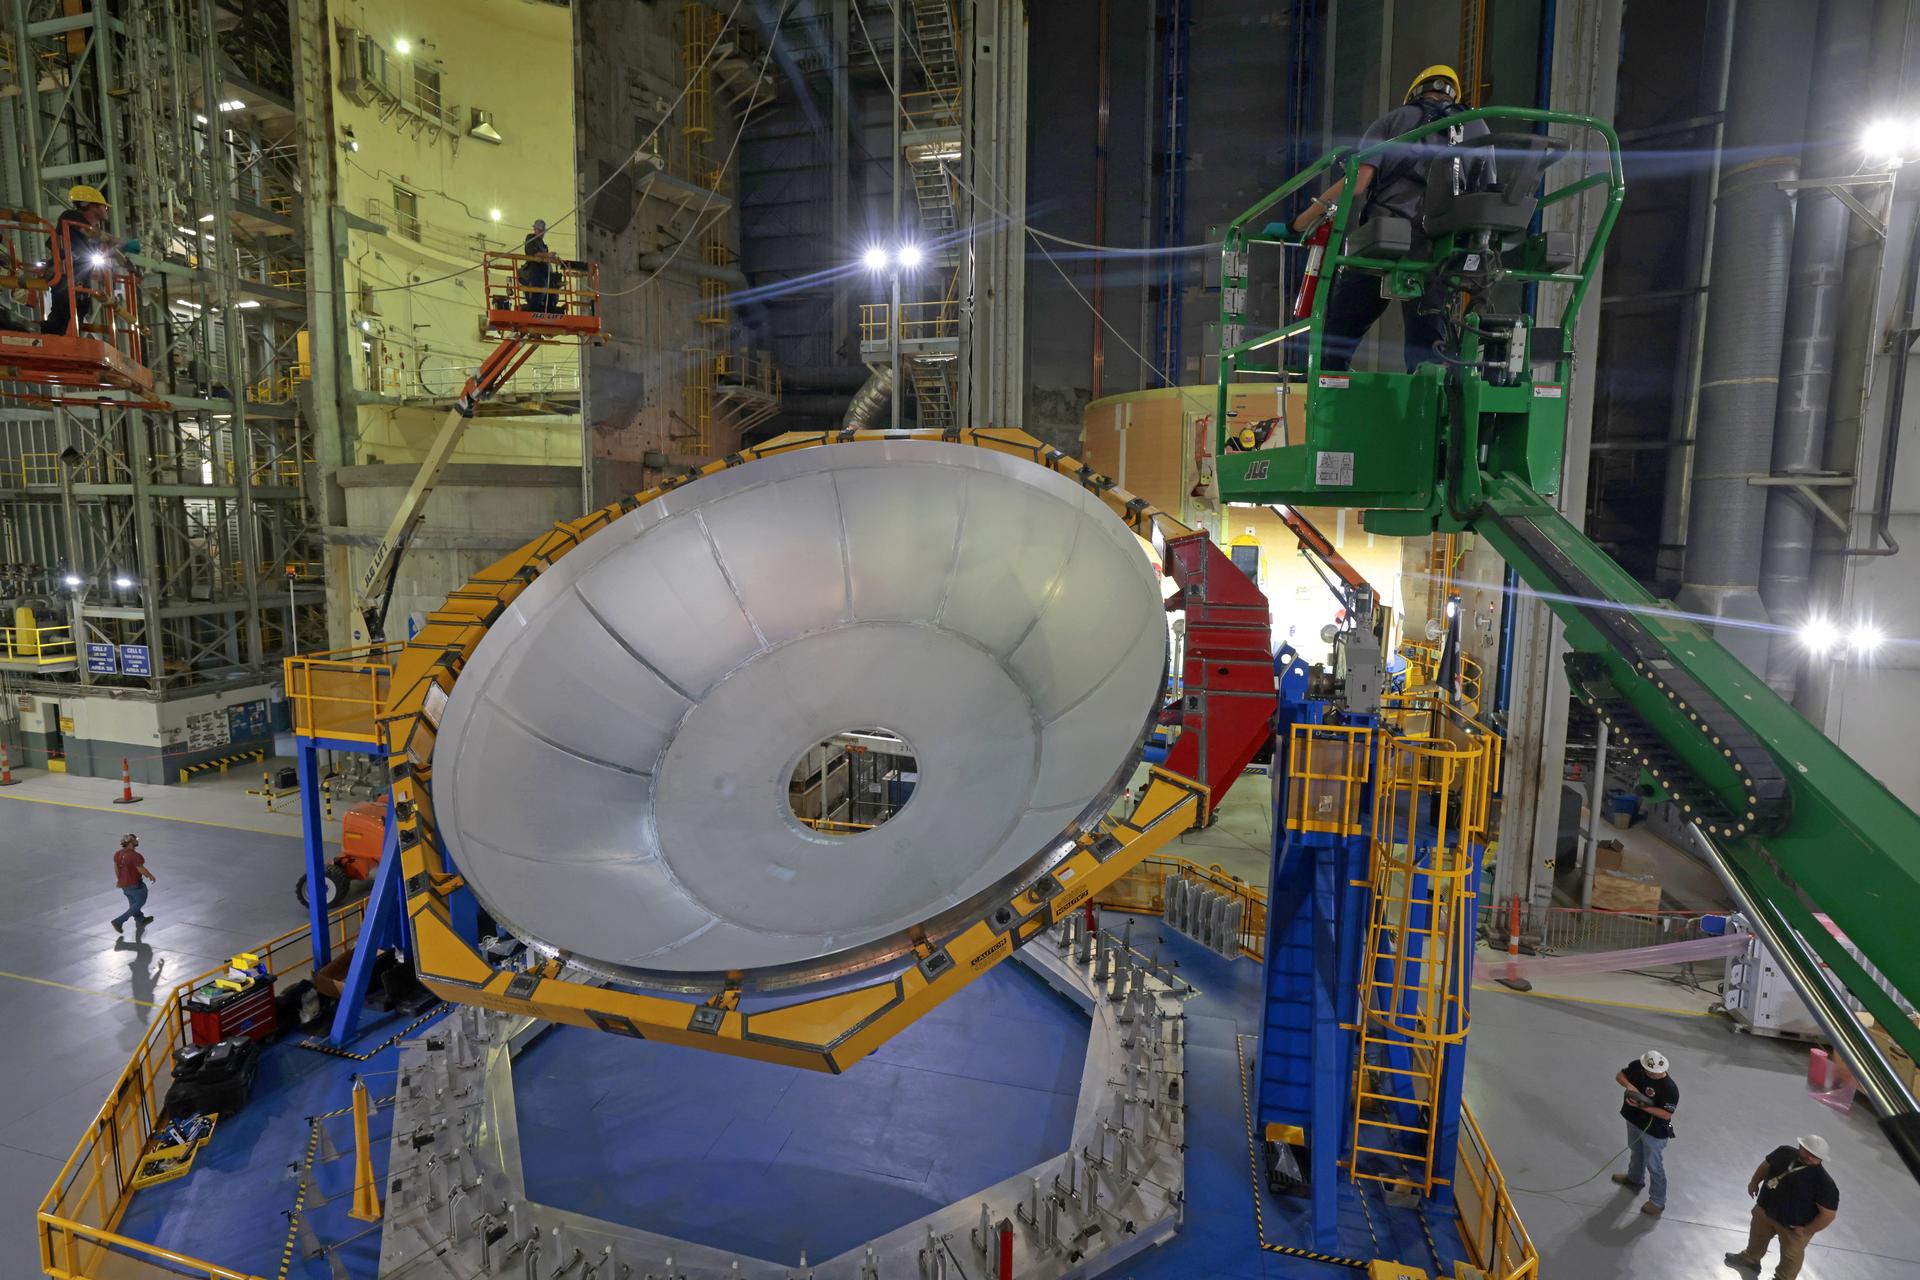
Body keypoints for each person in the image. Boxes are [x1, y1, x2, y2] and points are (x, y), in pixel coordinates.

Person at [1287, 65, 1488, 372]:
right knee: (1428, 345)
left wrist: (1301, 221)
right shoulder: (1476, 127)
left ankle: (1330, 389)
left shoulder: (1396, 119)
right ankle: (1427, 405)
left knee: (1340, 333)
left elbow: (1357, 183)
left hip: (1384, 243)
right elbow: (1487, 192)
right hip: (1440, 249)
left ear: (1414, 93)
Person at [1725, 1135, 1838, 1279]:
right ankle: (1749, 1260)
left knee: (1790, 1256)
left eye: (1816, 1156)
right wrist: (1754, 1181)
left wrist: (1806, 1230)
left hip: (1793, 1227)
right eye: (1808, 1152)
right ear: (1801, 1146)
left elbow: (1828, 1215)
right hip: (1766, 1211)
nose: (1811, 1157)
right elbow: (1766, 1165)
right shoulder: (1783, 1153)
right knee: (1757, 1238)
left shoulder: (1824, 1184)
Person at [1609, 1049, 1678, 1215]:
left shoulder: (1669, 1089)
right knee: (1636, 1150)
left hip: (1654, 1131)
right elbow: (1620, 1075)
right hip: (1633, 1121)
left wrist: (1643, 1106)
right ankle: (1634, 1178)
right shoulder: (1638, 1067)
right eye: (1649, 1071)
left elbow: (1666, 1114)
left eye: (1655, 1073)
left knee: (1654, 1165)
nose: (1652, 1075)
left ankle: (1657, 1201)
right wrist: (1629, 1085)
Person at [44, 184, 118, 336]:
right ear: (91, 206)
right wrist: (122, 243)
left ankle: (63, 343)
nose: (106, 211)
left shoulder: (92, 239)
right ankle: (48, 338)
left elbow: (97, 272)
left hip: (78, 282)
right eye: (105, 207)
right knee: (61, 313)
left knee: (78, 311)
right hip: (65, 277)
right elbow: (91, 233)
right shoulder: (71, 216)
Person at [110, 833, 156, 932]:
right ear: (131, 842)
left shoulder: (118, 854)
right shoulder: (135, 856)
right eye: (135, 840)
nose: (137, 841)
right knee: (140, 901)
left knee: (133, 904)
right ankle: (119, 921)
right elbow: (140, 868)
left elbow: (116, 868)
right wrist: (150, 876)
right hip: (135, 884)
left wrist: (120, 880)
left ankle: (140, 920)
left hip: (124, 885)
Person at [518, 219, 560, 315]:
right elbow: (534, 254)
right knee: (540, 286)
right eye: (538, 230)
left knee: (552, 287)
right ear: (535, 230)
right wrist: (547, 255)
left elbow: (540, 256)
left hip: (544, 272)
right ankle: (533, 309)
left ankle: (549, 308)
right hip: (534, 272)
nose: (540, 233)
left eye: (541, 231)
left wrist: (547, 257)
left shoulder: (543, 245)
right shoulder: (530, 238)